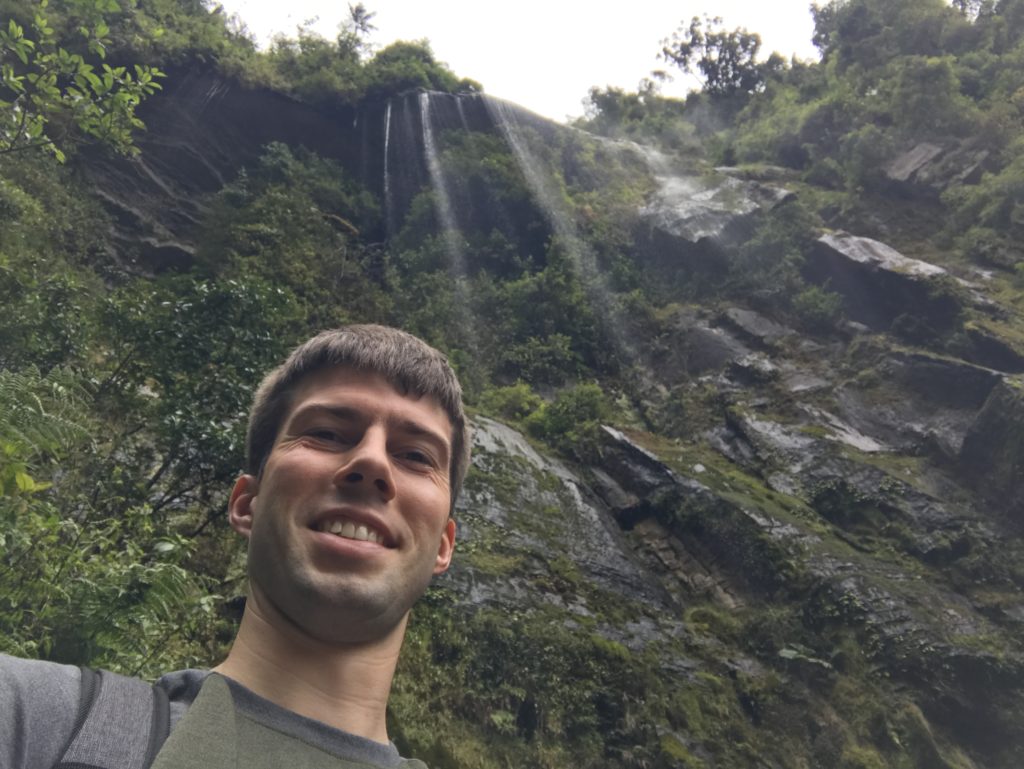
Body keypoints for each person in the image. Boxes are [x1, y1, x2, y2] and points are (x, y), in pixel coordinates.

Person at [1, 324, 471, 769]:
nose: (371, 462)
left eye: (414, 455)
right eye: (326, 433)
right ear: (247, 503)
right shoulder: (31, 714)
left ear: (444, 547)